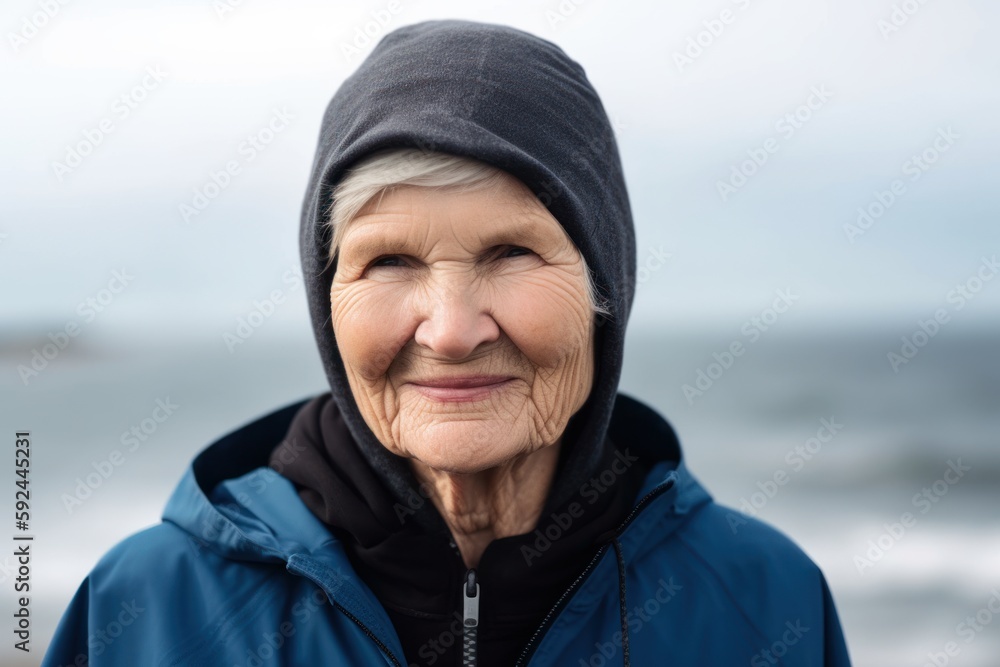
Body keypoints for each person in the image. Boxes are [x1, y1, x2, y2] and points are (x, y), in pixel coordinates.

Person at [43, 19, 851, 667]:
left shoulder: (767, 602)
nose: (453, 331)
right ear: (329, 303)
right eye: (389, 260)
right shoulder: (143, 608)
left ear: (606, 289)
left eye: (511, 253)